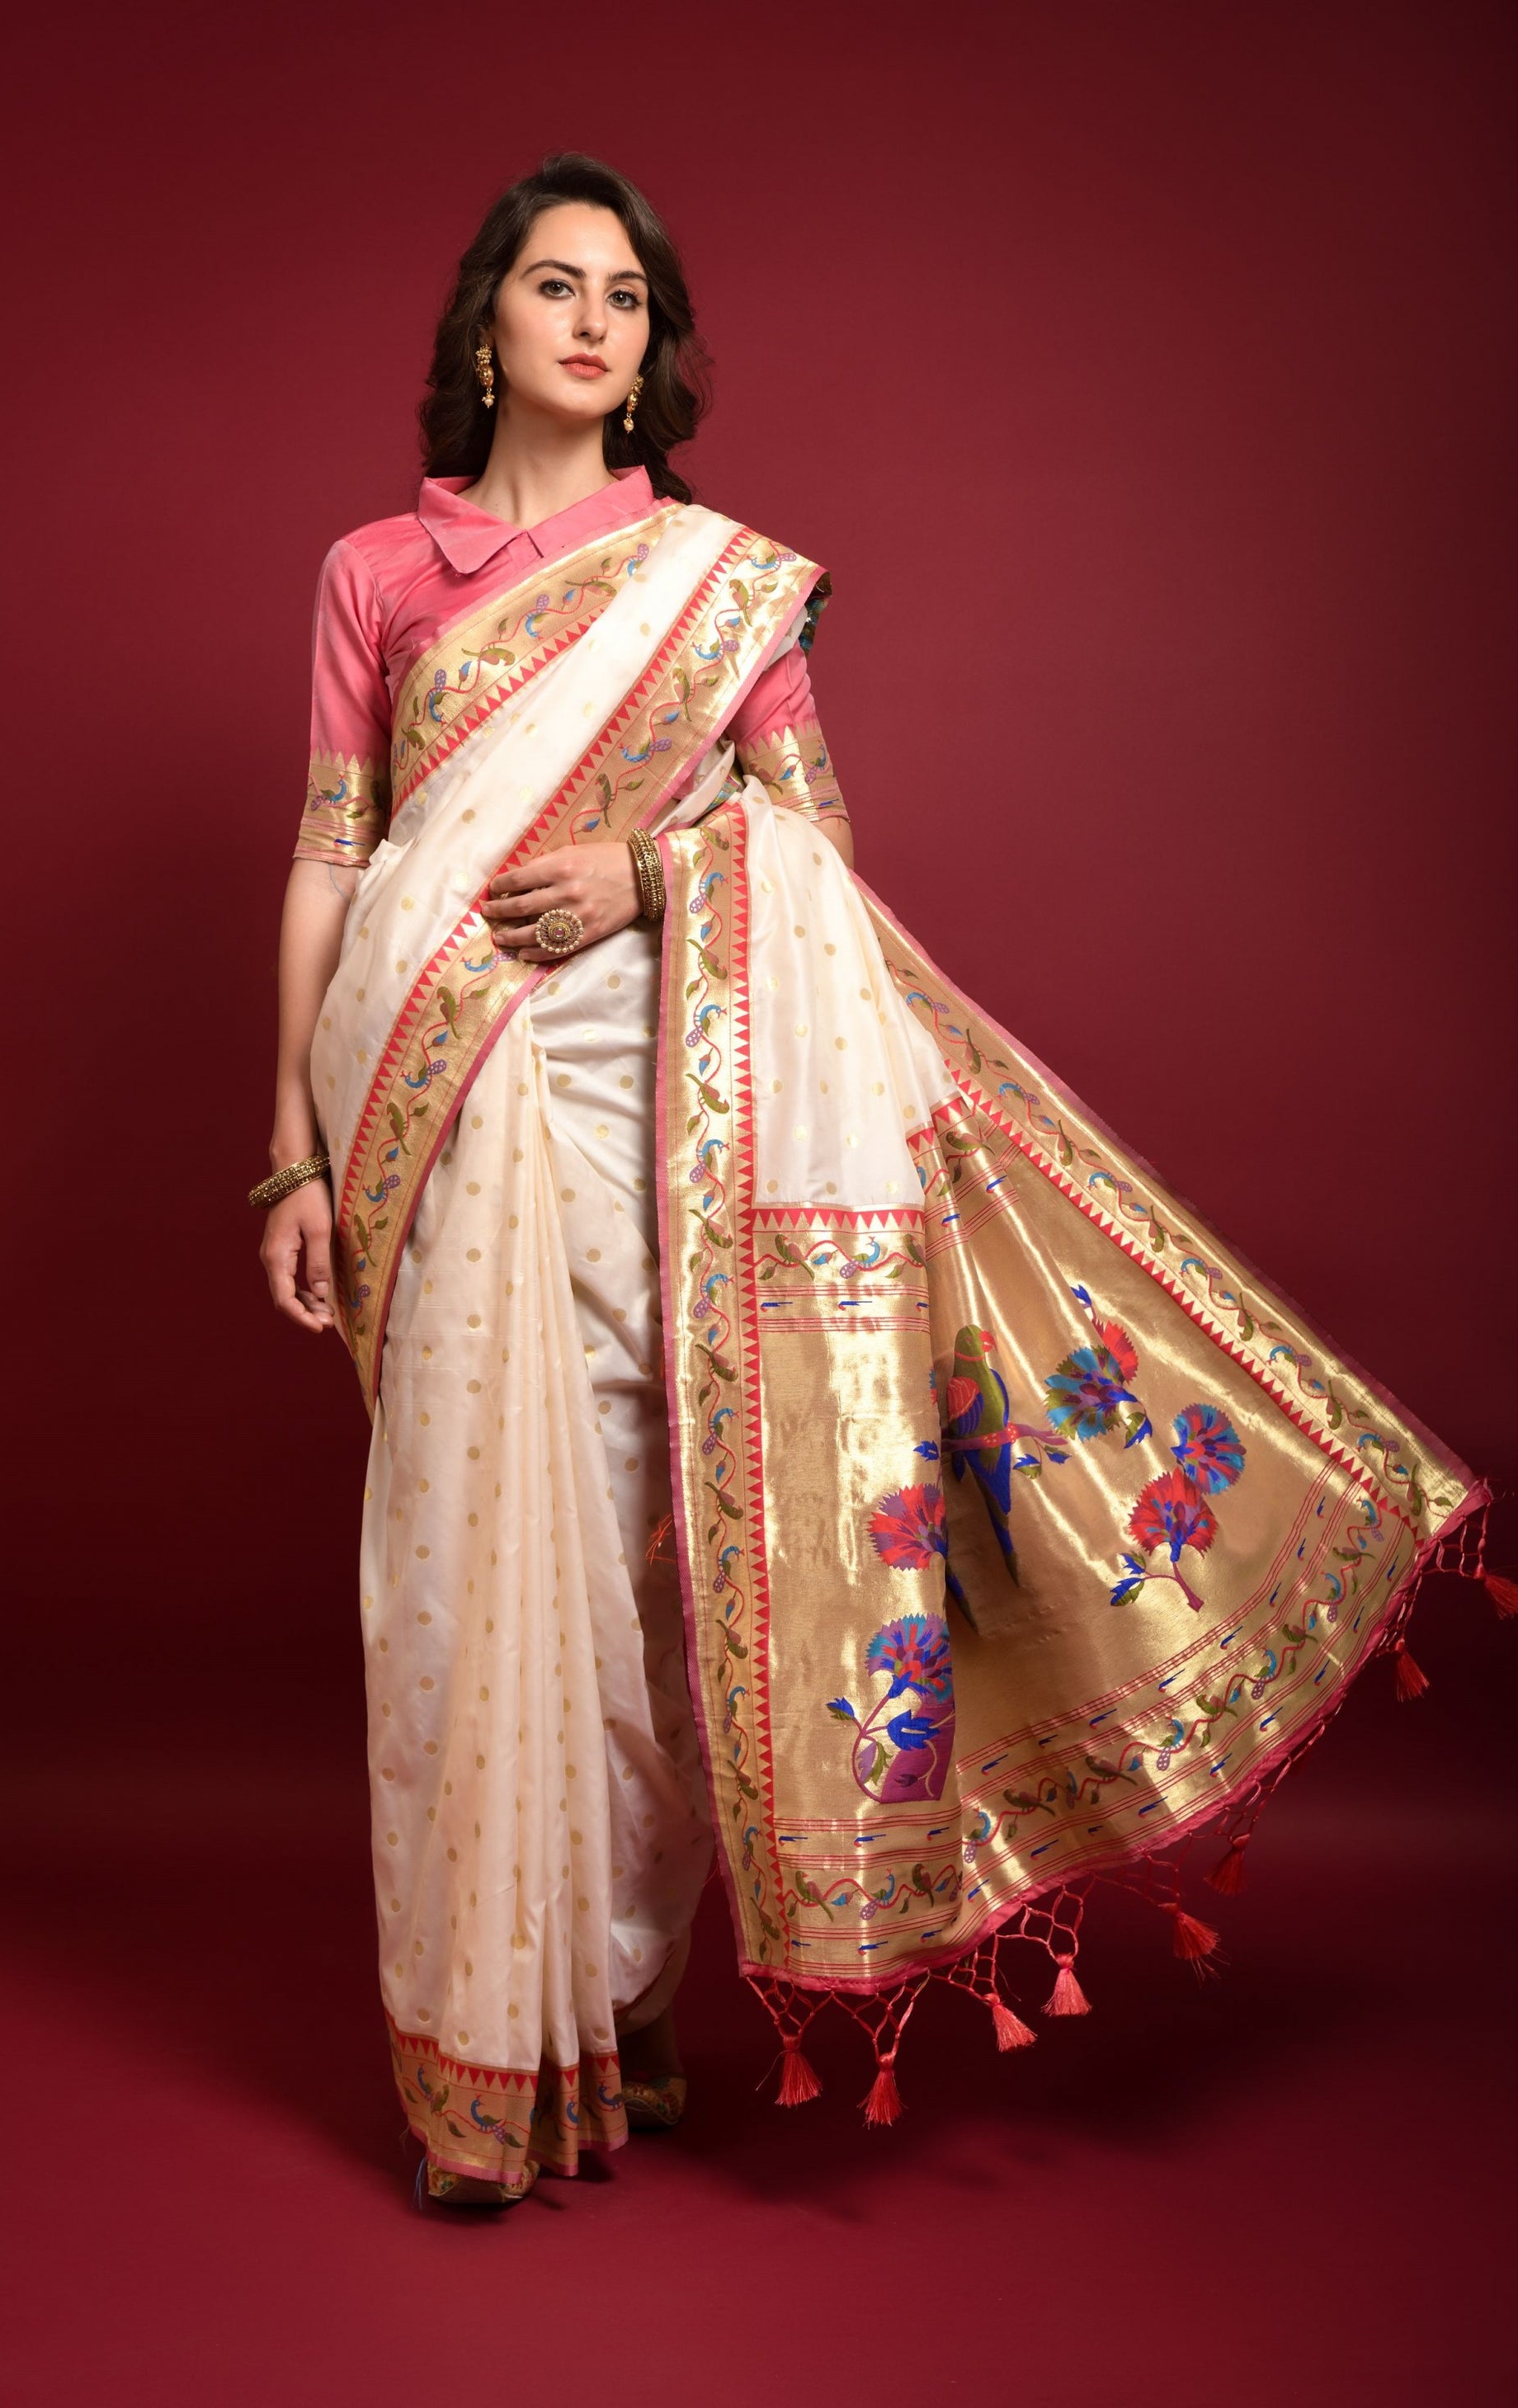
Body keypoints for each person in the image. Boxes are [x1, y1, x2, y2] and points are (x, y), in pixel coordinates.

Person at [257, 153, 1495, 2208]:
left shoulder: (719, 583)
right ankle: (480, 2060)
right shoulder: (378, 569)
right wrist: (290, 1151)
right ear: (484, 324)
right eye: (555, 286)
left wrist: (653, 869)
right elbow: (332, 849)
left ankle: (615, 1994)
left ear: (654, 348)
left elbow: (810, 841)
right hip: (431, 1111)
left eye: (627, 298)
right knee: (460, 1566)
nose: (592, 321)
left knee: (636, 1575)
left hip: (653, 1113)